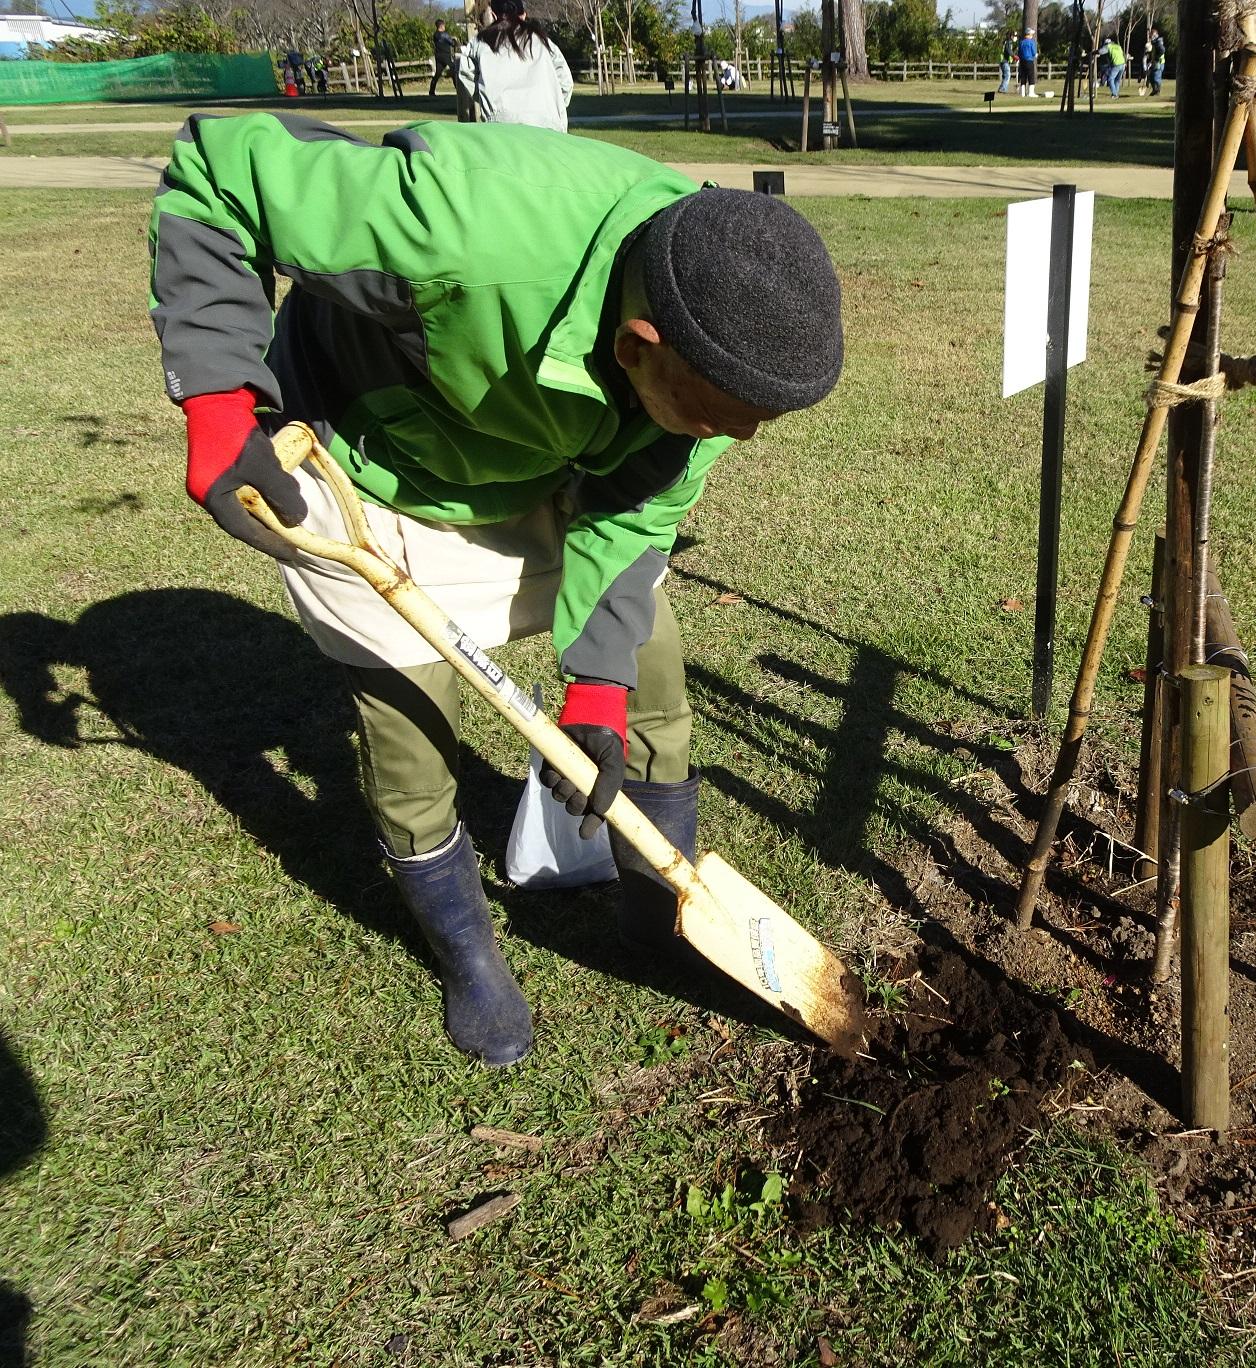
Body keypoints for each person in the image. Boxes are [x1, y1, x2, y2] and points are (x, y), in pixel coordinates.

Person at [146, 116, 844, 1067]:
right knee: (410, 729)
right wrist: (222, 404)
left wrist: (595, 690)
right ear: (642, 344)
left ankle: (657, 914)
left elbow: (634, 519)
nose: (742, 439)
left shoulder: (714, 345)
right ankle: (468, 953)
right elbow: (218, 174)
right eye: (726, 418)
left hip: (543, 461)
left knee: (652, 684)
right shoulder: (463, 230)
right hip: (374, 463)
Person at [459, 0, 574, 132]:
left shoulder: (480, 41)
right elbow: (565, 82)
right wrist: (554, 105)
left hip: (501, 125)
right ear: (524, 15)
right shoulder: (542, 41)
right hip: (548, 123)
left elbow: (466, 73)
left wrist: (486, 100)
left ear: (494, 15)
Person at [429, 18, 458, 97]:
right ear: (441, 26)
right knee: (454, 70)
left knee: (437, 74)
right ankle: (458, 89)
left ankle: (431, 91)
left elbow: (441, 41)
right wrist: (454, 40)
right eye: (444, 25)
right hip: (445, 56)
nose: (444, 27)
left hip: (438, 56)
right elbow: (452, 43)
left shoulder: (435, 35)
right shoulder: (444, 34)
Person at [1017, 27, 1037, 97]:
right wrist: (1035, 55)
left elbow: (1019, 52)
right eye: (1031, 34)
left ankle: (1023, 93)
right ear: (1029, 34)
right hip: (1029, 60)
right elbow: (1034, 52)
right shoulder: (1031, 42)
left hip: (1022, 61)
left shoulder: (1021, 42)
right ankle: (1031, 93)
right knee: (1031, 76)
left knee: (1023, 76)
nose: (1032, 35)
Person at [1145, 25, 1165, 96]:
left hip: (1159, 62)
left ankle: (1157, 91)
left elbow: (1162, 50)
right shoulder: (1155, 43)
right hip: (1155, 62)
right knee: (1151, 77)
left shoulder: (1158, 42)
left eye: (1151, 35)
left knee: (1156, 77)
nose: (1150, 37)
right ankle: (1154, 90)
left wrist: (1156, 58)